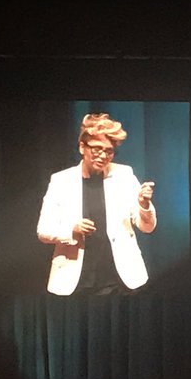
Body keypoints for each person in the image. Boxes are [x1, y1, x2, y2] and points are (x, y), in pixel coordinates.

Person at [37, 111, 156, 296]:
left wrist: (144, 205)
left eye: (109, 151)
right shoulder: (61, 181)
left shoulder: (124, 175)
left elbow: (147, 227)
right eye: (97, 149)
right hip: (75, 280)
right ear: (82, 147)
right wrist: (72, 230)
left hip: (120, 279)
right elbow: (43, 230)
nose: (103, 156)